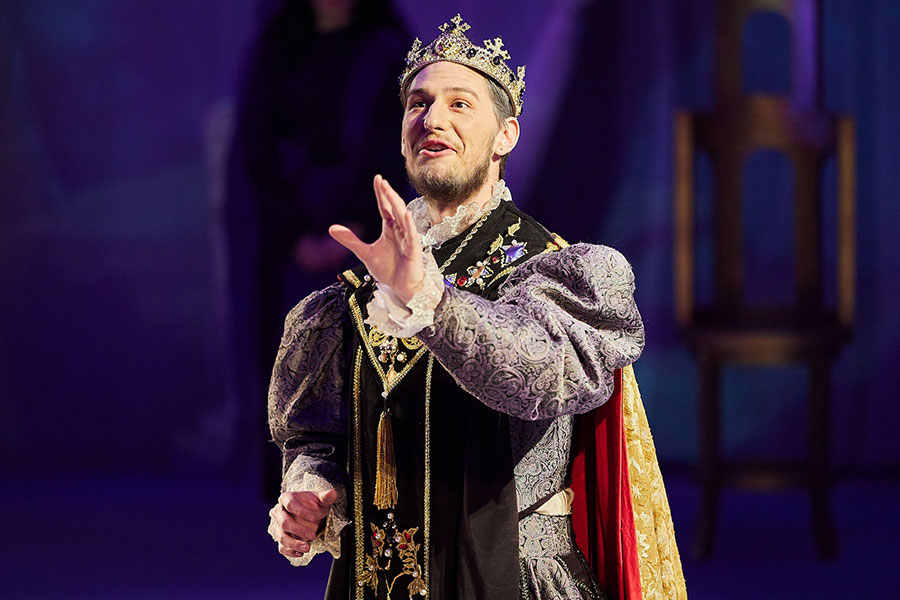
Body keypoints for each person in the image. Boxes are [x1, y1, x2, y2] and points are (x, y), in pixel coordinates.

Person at [266, 14, 687, 600]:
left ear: (506, 136)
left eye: (460, 104)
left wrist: (430, 303)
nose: (432, 118)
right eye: (418, 103)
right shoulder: (348, 302)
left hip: (514, 580)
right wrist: (313, 494)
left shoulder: (557, 273)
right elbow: (319, 438)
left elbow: (536, 374)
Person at [225, 0, 409, 495]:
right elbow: (258, 149)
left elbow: (396, 145)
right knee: (290, 352)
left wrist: (357, 224)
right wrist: (293, 235)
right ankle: (290, 487)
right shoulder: (279, 47)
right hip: (287, 240)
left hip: (367, 235)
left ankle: (365, 482)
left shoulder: (387, 48)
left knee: (363, 356)